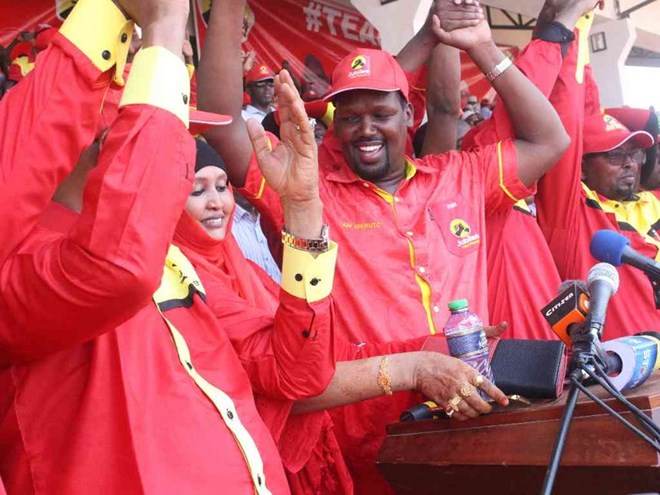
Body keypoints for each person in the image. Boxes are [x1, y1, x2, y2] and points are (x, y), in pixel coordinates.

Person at [197, 0, 569, 492]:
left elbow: (551, 141)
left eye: (380, 113)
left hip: (475, 419)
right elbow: (221, 122)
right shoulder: (306, 194)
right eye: (350, 117)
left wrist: (482, 47)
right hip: (370, 441)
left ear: (407, 113)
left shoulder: (460, 176)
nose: (366, 129)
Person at [0, 0, 338, 493]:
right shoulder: (19, 266)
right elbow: (113, 268)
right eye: (152, 126)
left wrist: (303, 207)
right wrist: (161, 29)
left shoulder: (173, 254)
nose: (176, 151)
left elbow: (296, 371)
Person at [175, 137, 509, 494]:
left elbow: (327, 355)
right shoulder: (181, 285)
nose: (216, 203)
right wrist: (413, 367)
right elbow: (294, 380)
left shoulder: (243, 271)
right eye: (197, 191)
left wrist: (434, 346)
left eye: (223, 187)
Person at [534, 12, 660, 338]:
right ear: (583, 167)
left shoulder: (653, 201)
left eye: (634, 154)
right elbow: (570, 112)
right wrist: (577, 20)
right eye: (616, 155)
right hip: (621, 381)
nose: (630, 163)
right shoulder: (574, 215)